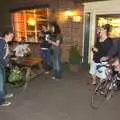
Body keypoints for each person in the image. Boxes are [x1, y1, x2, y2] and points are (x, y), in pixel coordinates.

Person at [0, 30, 14, 106]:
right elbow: (2, 56)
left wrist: (7, 63)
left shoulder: (4, 42)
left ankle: (4, 94)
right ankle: (1, 101)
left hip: (1, 64)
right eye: (11, 35)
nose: (12, 37)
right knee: (0, 84)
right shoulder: (2, 42)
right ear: (6, 35)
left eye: (13, 36)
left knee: (3, 80)